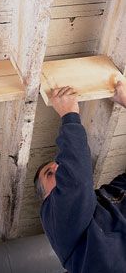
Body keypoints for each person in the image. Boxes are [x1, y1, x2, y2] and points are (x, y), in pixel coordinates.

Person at [34, 80, 126, 273]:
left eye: (59, 166)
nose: (59, 169)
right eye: (49, 173)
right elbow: (75, 182)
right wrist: (69, 116)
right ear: (45, 198)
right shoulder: (55, 219)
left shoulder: (108, 195)